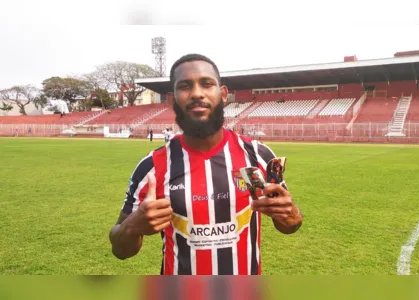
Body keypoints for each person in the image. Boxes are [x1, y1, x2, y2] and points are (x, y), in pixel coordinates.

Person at [109, 54, 303, 275]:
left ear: (223, 94)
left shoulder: (258, 155)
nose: (197, 93)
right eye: (185, 86)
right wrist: (132, 227)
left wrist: (293, 215)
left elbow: (288, 224)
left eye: (207, 83)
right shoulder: (152, 167)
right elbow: (121, 250)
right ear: (172, 100)